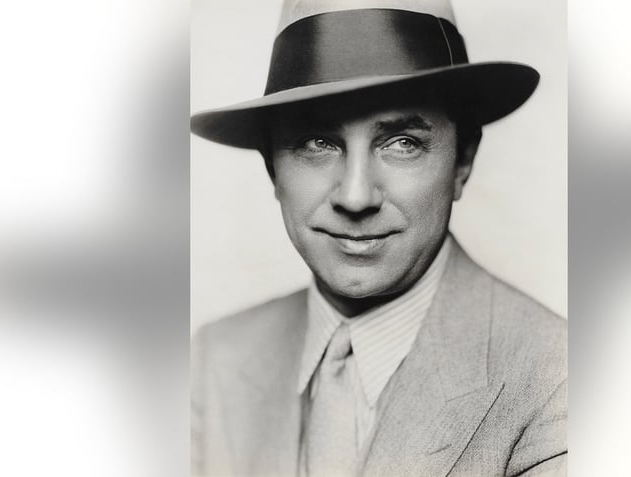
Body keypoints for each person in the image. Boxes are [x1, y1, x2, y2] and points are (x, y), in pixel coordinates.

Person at [190, 1, 566, 476]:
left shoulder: (557, 380)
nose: (355, 195)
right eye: (317, 142)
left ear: (462, 161)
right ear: (271, 167)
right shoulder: (214, 358)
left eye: (402, 143)